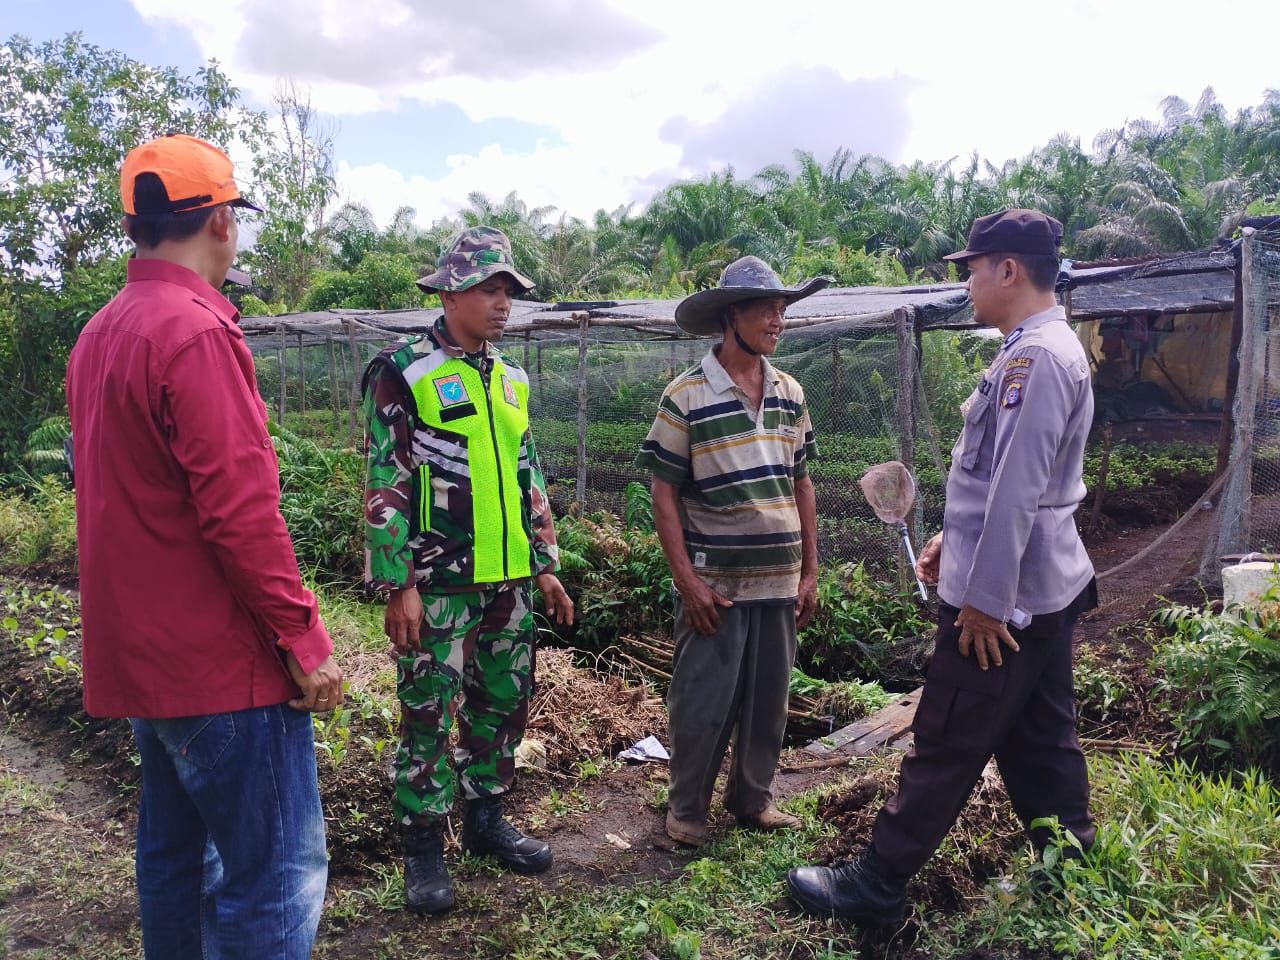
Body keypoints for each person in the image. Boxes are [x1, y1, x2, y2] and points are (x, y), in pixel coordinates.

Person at [65, 134, 343, 959]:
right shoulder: (194, 333)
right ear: (220, 219)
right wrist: (303, 638)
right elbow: (241, 512)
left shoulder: (100, 335)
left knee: (177, 864)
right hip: (222, 669)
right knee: (273, 874)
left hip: (147, 666)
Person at [788, 209, 1097, 924]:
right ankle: (1073, 867)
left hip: (1007, 602)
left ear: (1009, 270)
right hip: (1040, 588)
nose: (967, 282)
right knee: (1042, 738)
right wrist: (953, 543)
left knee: (947, 737)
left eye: (972, 269)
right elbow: (1000, 482)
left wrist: (983, 602)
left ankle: (876, 884)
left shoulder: (1037, 359)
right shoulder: (1038, 346)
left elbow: (1019, 489)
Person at [362, 226, 575, 915]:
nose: (503, 303)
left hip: (508, 582)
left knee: (499, 707)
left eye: (509, 290)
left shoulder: (510, 379)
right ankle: (423, 846)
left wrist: (545, 565)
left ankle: (485, 822)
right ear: (450, 292)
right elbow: (385, 480)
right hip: (440, 582)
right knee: (427, 713)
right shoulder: (405, 369)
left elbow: (527, 474)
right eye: (490, 288)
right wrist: (399, 584)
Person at [637, 256, 825, 848]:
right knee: (703, 699)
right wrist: (687, 581)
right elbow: (663, 494)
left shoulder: (790, 392)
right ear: (731, 317)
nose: (778, 319)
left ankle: (752, 799)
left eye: (782, 309)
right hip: (716, 582)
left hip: (779, 578)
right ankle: (686, 809)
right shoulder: (686, 395)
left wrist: (811, 570)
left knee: (769, 699)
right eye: (766, 308)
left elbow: (801, 484)